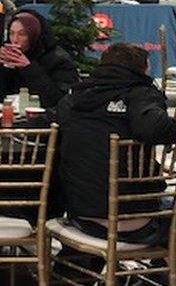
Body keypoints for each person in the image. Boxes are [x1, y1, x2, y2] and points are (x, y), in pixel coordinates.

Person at [58, 43, 176, 253]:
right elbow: (153, 128)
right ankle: (162, 275)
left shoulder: (75, 98)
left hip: (80, 214)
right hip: (132, 221)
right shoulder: (139, 93)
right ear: (141, 69)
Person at [0, 10, 78, 108]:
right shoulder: (11, 55)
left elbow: (59, 99)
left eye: (22, 34)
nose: (15, 39)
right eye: (11, 33)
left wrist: (29, 68)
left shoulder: (59, 60)